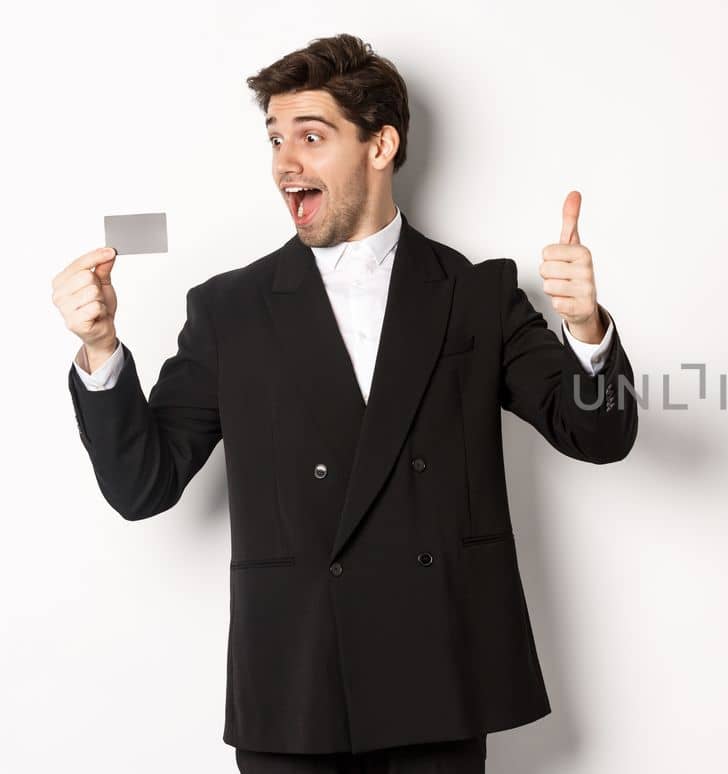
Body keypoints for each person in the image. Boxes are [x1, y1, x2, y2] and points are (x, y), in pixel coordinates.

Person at [50, 33, 639, 773]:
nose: (285, 162)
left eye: (311, 136)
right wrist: (101, 348)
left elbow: (600, 434)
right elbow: (142, 486)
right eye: (274, 139)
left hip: (439, 676)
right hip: (295, 687)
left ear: (381, 145)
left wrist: (586, 328)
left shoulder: (476, 294)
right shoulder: (231, 308)